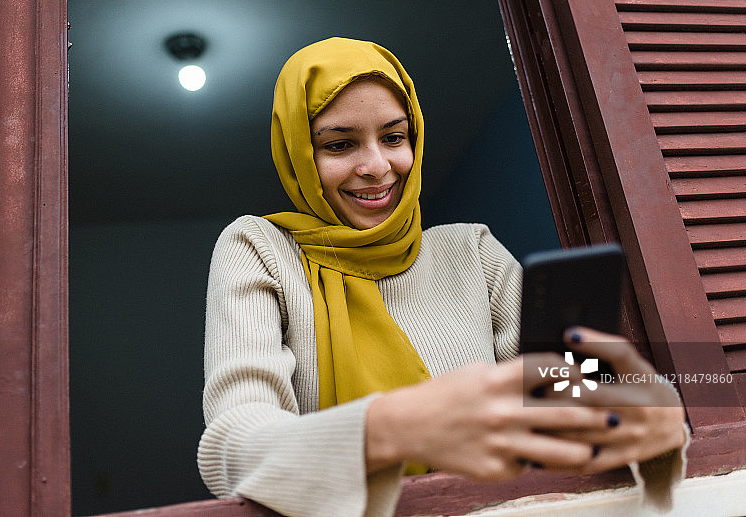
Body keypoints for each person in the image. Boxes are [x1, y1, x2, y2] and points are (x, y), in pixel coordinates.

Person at [196, 37, 687, 517]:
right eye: (340, 144)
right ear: (299, 152)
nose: (377, 166)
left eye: (393, 137)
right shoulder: (259, 251)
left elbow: (565, 408)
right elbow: (234, 449)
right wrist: (399, 426)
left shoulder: (472, 253)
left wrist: (642, 411)